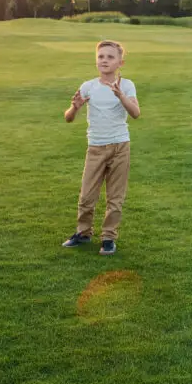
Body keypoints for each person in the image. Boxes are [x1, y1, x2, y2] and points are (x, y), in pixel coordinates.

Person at [60, 40, 140, 256]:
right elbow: (68, 118)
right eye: (101, 56)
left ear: (120, 62)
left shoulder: (127, 85)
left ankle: (108, 238)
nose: (104, 60)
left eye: (110, 57)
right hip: (95, 147)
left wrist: (121, 96)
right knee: (87, 196)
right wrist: (74, 108)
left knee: (115, 197)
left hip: (120, 146)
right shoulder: (88, 86)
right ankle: (83, 233)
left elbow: (135, 113)